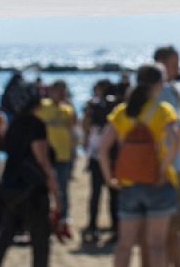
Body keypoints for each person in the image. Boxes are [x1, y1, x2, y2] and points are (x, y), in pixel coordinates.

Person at [97, 63, 180, 267]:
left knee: (124, 244)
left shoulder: (122, 112)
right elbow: (175, 142)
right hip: (157, 182)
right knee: (156, 245)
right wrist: (163, 169)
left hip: (129, 182)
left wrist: (110, 178)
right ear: (158, 85)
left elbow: (102, 149)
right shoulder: (163, 111)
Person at [0, 82, 64, 267]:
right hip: (33, 190)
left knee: (5, 236)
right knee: (40, 241)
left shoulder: (13, 124)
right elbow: (43, 161)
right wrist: (57, 195)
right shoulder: (36, 125)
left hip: (10, 186)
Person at [153, 46, 180, 260]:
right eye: (174, 64)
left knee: (164, 232)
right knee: (171, 230)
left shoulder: (155, 92)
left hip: (162, 165)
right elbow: (175, 129)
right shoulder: (165, 92)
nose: (178, 69)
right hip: (168, 167)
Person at [82, 78, 120, 245]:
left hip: (103, 154)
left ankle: (99, 227)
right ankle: (104, 227)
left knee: (102, 194)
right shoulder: (114, 108)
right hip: (107, 155)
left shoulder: (95, 106)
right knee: (108, 194)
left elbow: (86, 125)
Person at [37, 80, 78, 227]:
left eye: (63, 90)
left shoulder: (67, 109)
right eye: (58, 90)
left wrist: (73, 152)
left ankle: (63, 217)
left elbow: (73, 128)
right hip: (45, 155)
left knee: (62, 187)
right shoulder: (42, 106)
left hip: (63, 154)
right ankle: (44, 216)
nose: (61, 93)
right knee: (44, 188)